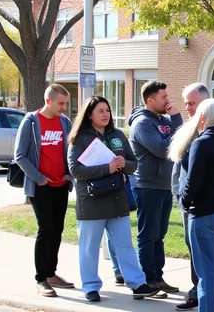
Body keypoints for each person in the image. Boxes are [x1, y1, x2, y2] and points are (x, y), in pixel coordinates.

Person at [67, 96, 160, 302]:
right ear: (89, 114)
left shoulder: (117, 134)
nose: (105, 114)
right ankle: (90, 286)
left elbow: (133, 163)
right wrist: (106, 168)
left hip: (117, 199)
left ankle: (138, 284)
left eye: (107, 110)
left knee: (125, 244)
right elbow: (75, 170)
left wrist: (122, 164)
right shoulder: (80, 138)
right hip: (91, 201)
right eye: (100, 111)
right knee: (89, 247)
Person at [170, 98, 214, 312]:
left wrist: (183, 201)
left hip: (203, 212)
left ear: (203, 117)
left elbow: (193, 180)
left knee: (205, 274)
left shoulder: (202, 142)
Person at [14, 84, 75, 297]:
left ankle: (51, 274)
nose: (64, 108)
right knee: (46, 229)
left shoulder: (65, 122)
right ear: (48, 101)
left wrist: (70, 174)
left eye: (66, 103)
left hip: (61, 185)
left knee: (57, 229)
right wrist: (39, 178)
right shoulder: (30, 122)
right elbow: (20, 155)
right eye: (61, 103)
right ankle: (41, 279)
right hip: (41, 187)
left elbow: (70, 152)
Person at [128, 80, 183, 296]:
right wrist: (177, 120)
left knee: (159, 235)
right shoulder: (142, 123)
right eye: (163, 97)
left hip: (163, 186)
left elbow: (180, 140)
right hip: (147, 187)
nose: (168, 100)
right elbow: (163, 148)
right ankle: (148, 280)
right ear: (150, 100)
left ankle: (158, 278)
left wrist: (174, 121)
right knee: (148, 236)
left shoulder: (163, 121)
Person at [170, 82, 210, 311]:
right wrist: (179, 195)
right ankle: (197, 290)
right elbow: (178, 170)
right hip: (187, 202)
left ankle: (206, 292)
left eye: (192, 104)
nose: (188, 108)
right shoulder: (186, 130)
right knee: (192, 246)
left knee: (207, 249)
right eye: (186, 103)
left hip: (209, 204)